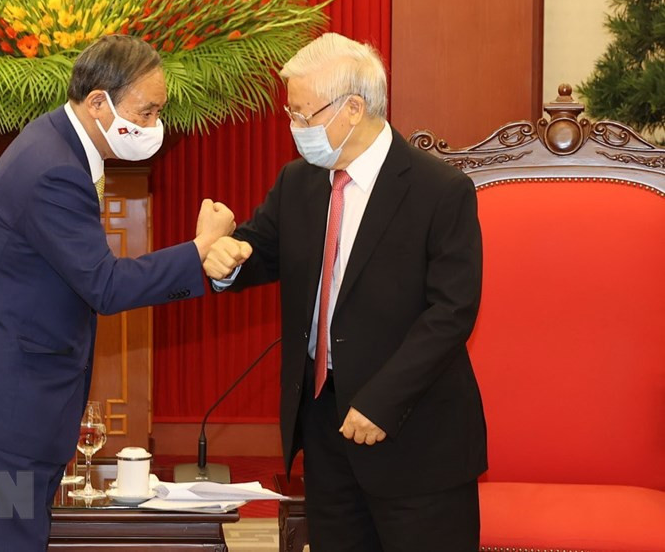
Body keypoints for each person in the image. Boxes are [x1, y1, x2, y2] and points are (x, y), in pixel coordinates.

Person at [0, 35, 235, 551]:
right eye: (147, 111)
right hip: (2, 410)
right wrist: (200, 249)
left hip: (13, 402)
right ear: (98, 102)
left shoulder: (56, 142)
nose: (154, 125)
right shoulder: (54, 170)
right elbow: (105, 285)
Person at [205, 32, 487, 551]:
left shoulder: (440, 190)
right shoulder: (300, 182)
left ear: (353, 108)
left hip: (414, 435)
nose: (295, 129)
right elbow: (258, 249)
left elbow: (451, 312)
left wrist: (381, 402)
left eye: (304, 115)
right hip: (323, 421)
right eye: (290, 115)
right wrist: (226, 258)